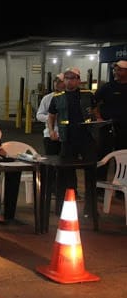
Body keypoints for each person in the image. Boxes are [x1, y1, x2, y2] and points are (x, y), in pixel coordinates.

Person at [48, 67, 97, 216]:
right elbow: (51, 116)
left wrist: (98, 122)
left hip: (87, 139)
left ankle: (91, 209)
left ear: (78, 80)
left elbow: (95, 111)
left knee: (91, 173)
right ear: (64, 80)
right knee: (64, 173)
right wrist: (51, 130)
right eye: (67, 78)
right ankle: (62, 207)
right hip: (67, 140)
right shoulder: (57, 97)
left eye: (73, 78)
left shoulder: (88, 95)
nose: (70, 81)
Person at [94, 60, 127, 151]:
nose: (115, 72)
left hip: (124, 128)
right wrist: (98, 118)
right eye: (114, 70)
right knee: (105, 153)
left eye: (119, 70)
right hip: (108, 127)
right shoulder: (107, 87)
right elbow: (93, 102)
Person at [36, 73, 65, 155]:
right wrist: (51, 118)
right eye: (56, 82)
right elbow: (39, 115)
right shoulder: (47, 98)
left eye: (60, 82)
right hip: (50, 135)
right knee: (51, 161)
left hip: (67, 135)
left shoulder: (69, 98)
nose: (57, 84)